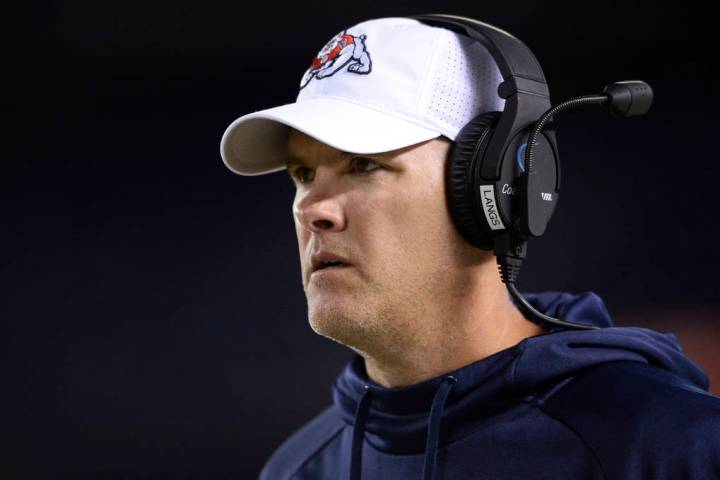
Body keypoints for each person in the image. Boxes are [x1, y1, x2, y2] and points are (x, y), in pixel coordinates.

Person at [220, 16, 720, 480]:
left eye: (363, 164)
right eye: (303, 174)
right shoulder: (296, 469)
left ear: (498, 189)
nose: (314, 209)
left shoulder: (668, 446)